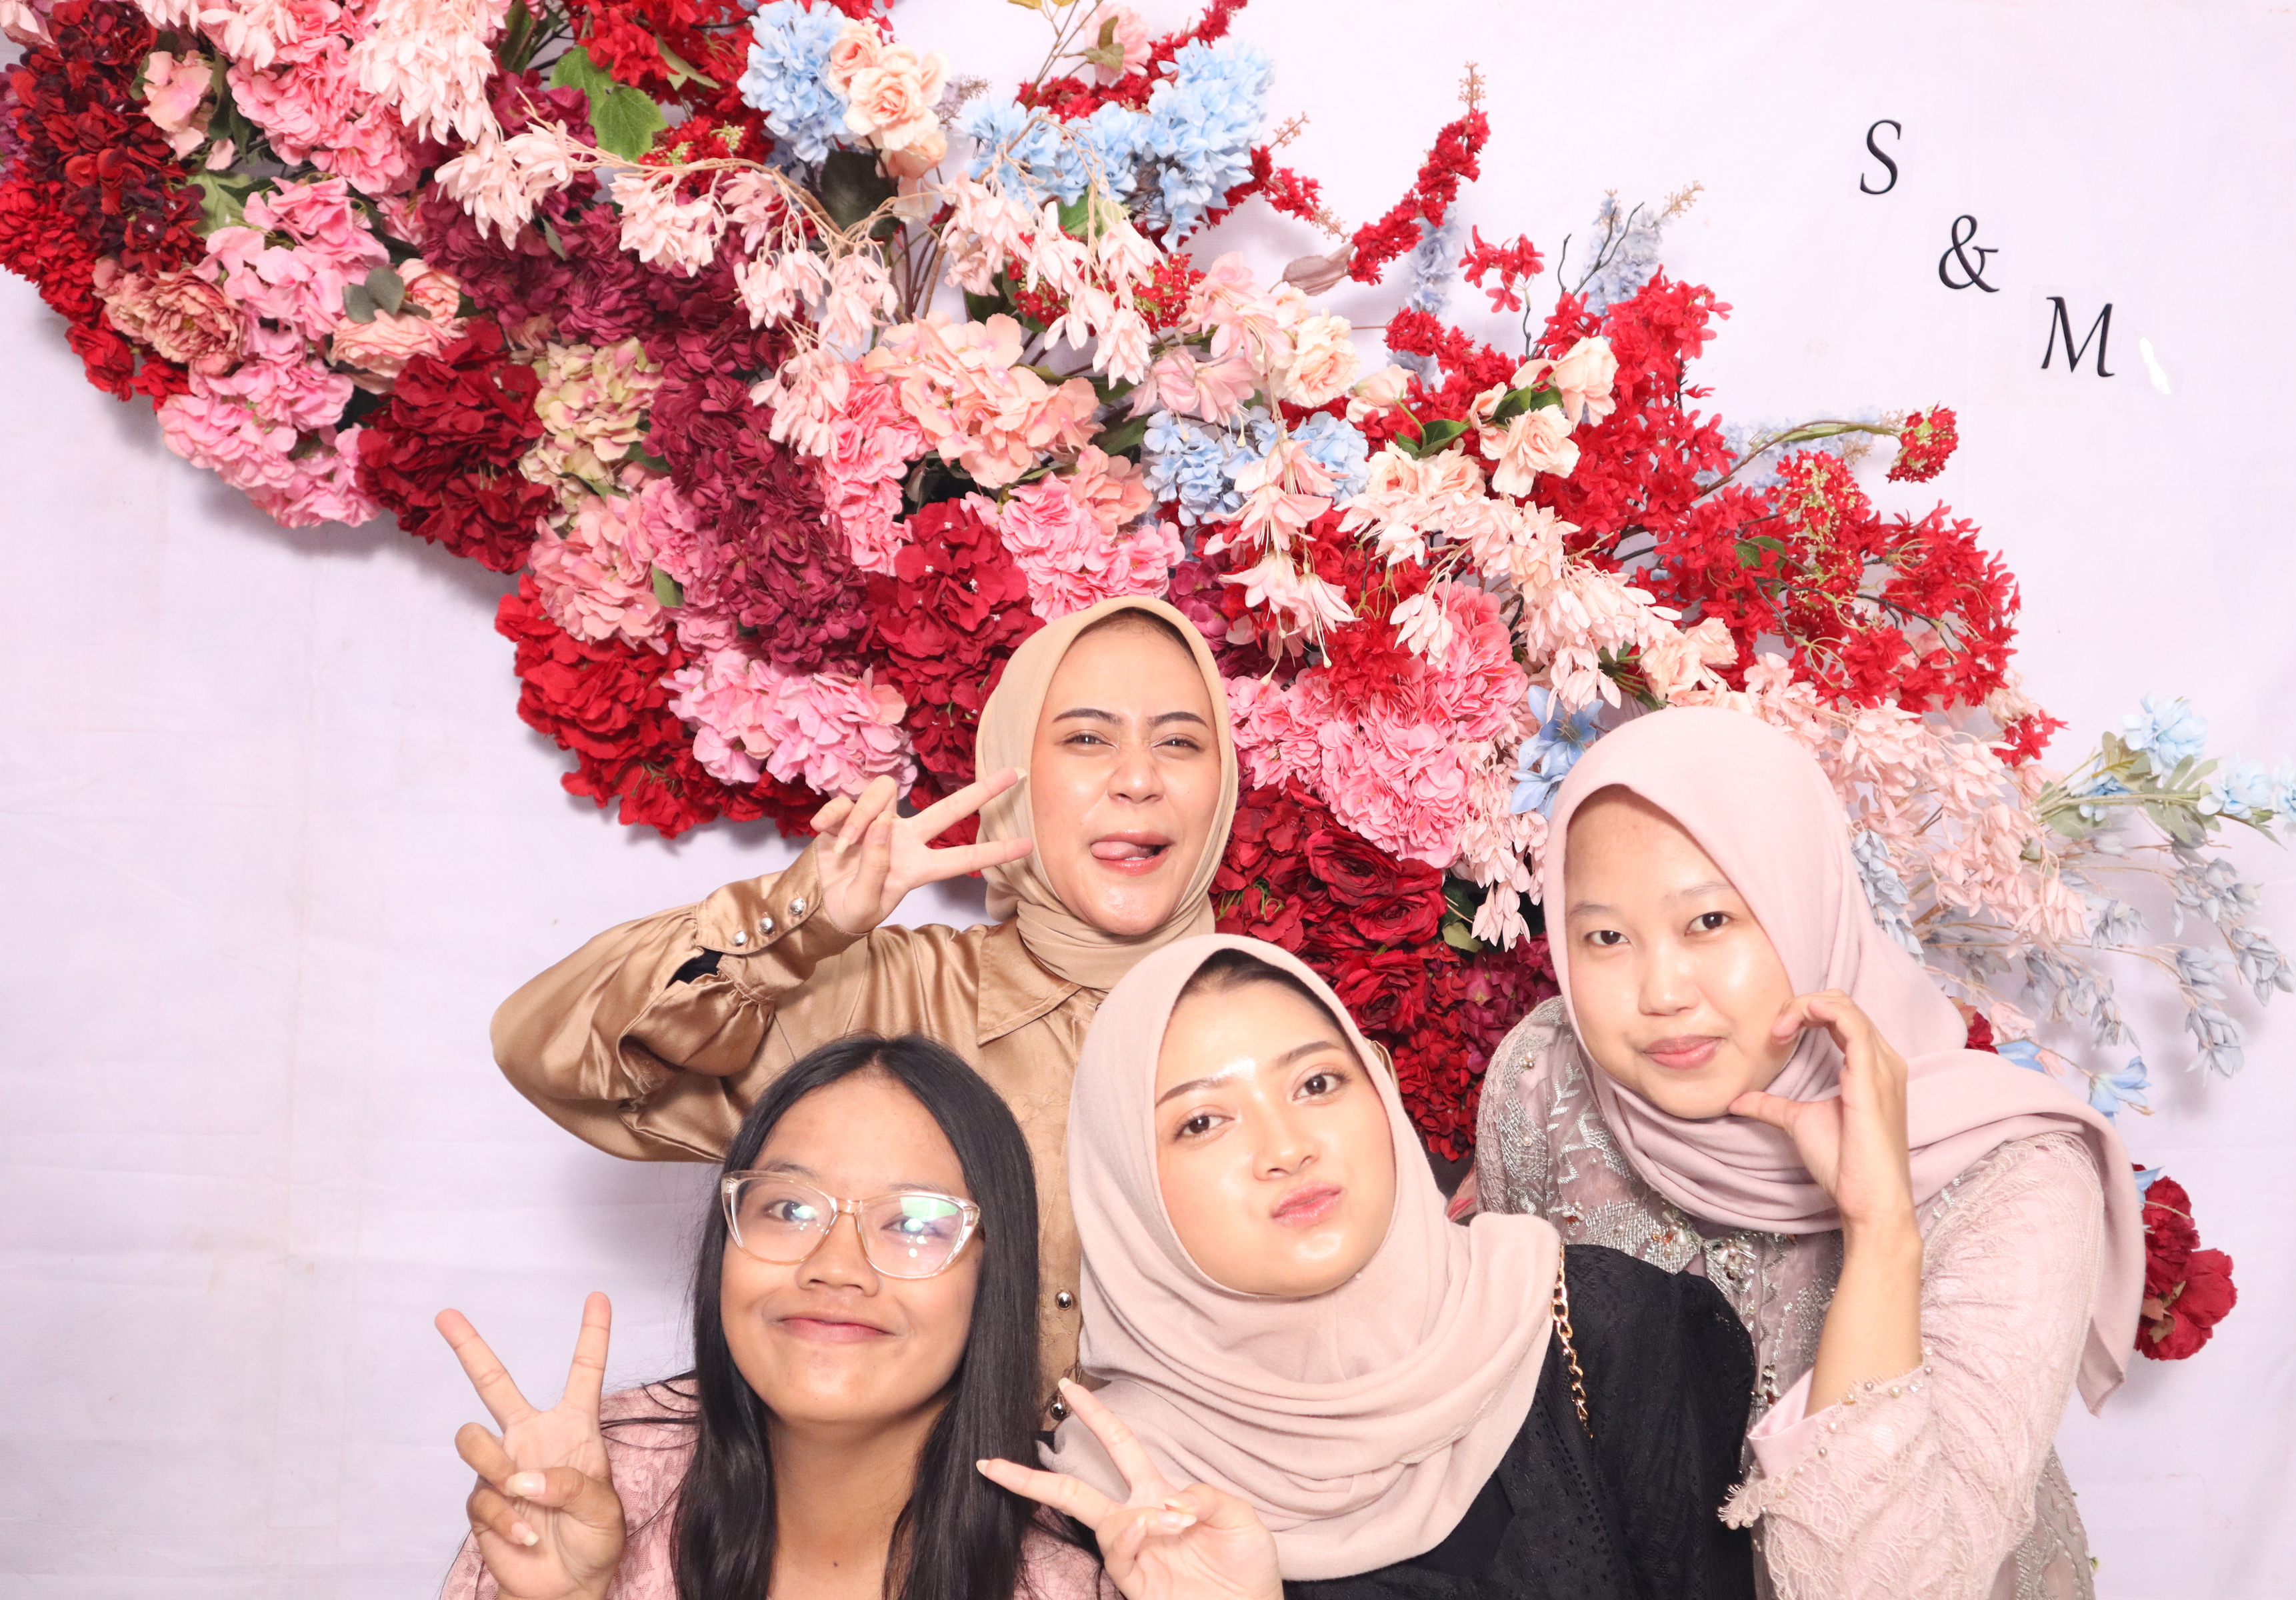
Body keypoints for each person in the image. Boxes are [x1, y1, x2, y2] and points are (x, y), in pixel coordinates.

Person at [1471, 706, 2146, 1600]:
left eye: (1710, 920)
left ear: (1805, 906)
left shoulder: (2011, 1174)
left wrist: (1880, 1230)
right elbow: (1518, 1436)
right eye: (1605, 938)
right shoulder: (1545, 1079)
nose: (1661, 992)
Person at [491, 597, 1238, 1392]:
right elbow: (554, 1054)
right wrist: (796, 920)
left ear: (1223, 785)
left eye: (1180, 743)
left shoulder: (1290, 1033)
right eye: (1087, 738)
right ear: (1011, 773)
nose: (1138, 780)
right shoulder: (876, 1001)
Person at [1009, 935, 1757, 1597]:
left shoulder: (1594, 1324)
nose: (1287, 1148)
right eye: (1203, 1122)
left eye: (1317, 1083)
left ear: (1380, 1088)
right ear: (1126, 1191)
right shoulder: (1106, 1513)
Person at [436, 1031, 1280, 1600]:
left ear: (994, 1276)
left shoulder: (1073, 1577)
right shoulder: (586, 1487)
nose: (835, 1267)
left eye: (914, 1224)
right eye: (788, 1209)